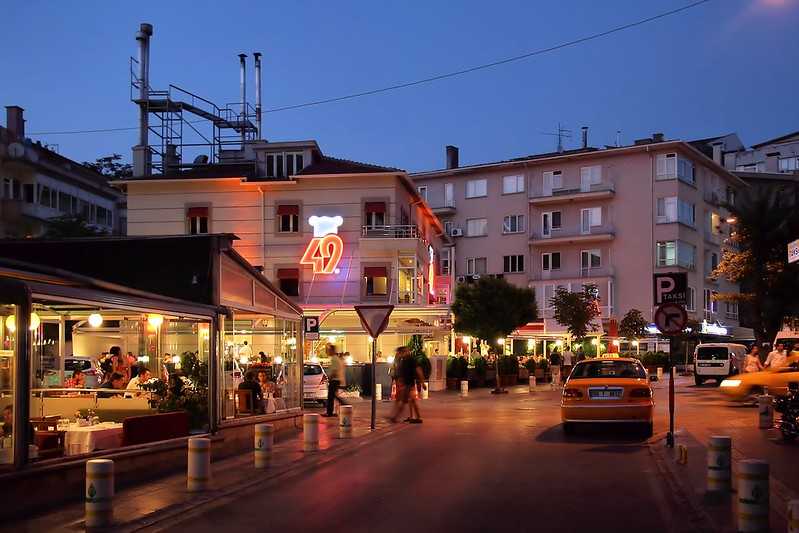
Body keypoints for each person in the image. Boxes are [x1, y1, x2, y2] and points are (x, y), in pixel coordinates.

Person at [325, 344, 347, 417]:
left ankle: (330, 412)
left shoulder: (334, 359)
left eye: (329, 350)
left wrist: (330, 378)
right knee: (334, 395)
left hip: (334, 380)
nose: (328, 352)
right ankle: (343, 405)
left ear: (332, 350)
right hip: (337, 380)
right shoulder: (337, 358)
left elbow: (334, 371)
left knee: (331, 396)